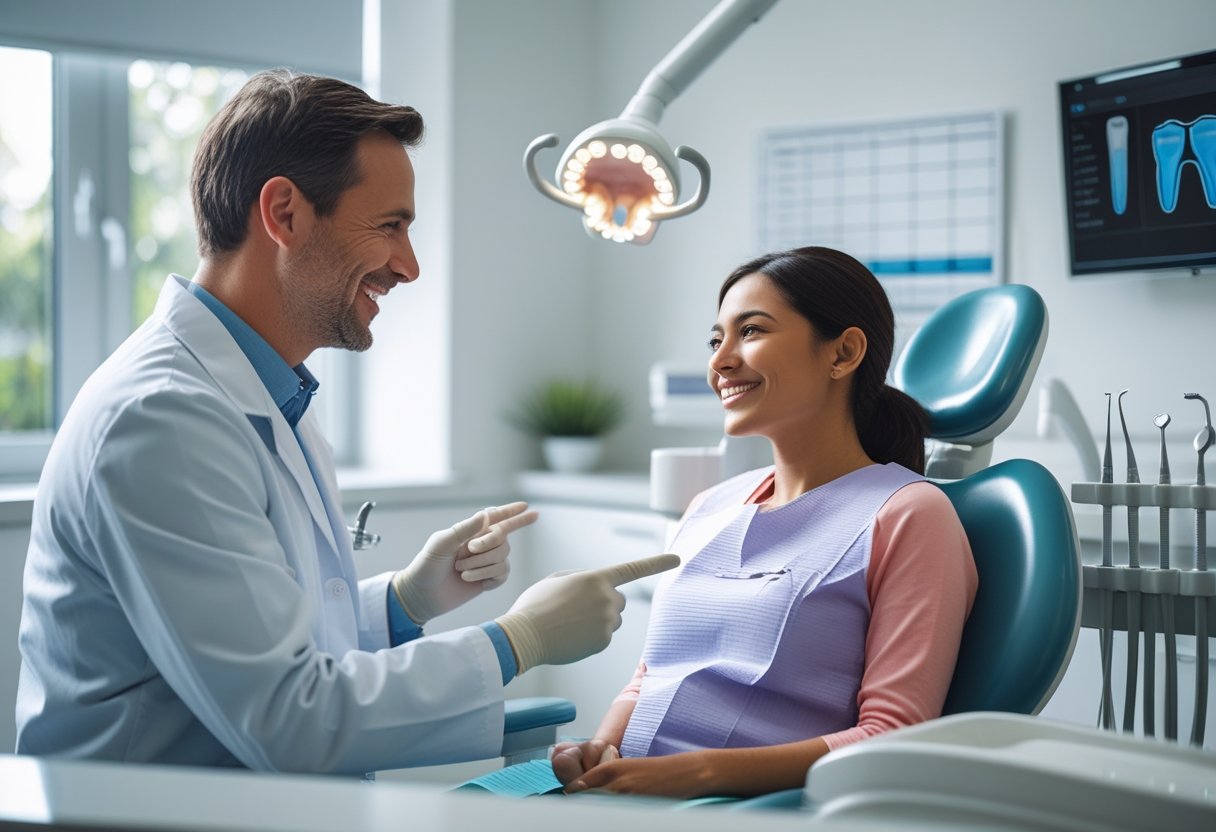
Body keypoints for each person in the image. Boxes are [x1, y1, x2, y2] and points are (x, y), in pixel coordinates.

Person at [15, 69, 676, 776]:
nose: (410, 266)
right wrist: (518, 640)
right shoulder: (163, 419)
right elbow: (290, 717)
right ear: (284, 214)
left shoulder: (268, 394)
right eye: (390, 226)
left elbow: (263, 636)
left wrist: (402, 601)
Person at [549, 247, 978, 799]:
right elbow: (650, 677)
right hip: (622, 799)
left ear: (843, 352)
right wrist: (600, 752)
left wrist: (699, 775)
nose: (720, 361)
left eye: (750, 331)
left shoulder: (906, 514)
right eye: (715, 340)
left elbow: (893, 734)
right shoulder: (708, 507)